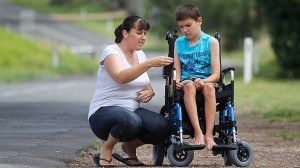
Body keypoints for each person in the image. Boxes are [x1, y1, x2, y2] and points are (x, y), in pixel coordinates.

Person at [88, 15, 173, 166]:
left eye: (145, 33)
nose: (143, 37)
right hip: (103, 113)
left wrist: (150, 91)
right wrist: (149, 64)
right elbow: (121, 77)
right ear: (125, 33)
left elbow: (144, 82)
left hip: (132, 111)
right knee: (129, 119)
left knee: (163, 126)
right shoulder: (111, 52)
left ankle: (130, 147)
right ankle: (106, 149)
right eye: (139, 33)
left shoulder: (140, 54)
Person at [173, 3, 220, 151]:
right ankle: (198, 132)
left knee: (209, 90)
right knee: (188, 86)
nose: (184, 30)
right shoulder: (178, 43)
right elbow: (177, 70)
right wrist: (175, 81)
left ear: (199, 21)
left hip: (207, 80)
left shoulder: (211, 42)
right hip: (188, 81)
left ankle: (209, 135)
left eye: (188, 25)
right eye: (181, 27)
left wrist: (204, 81)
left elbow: (216, 75)